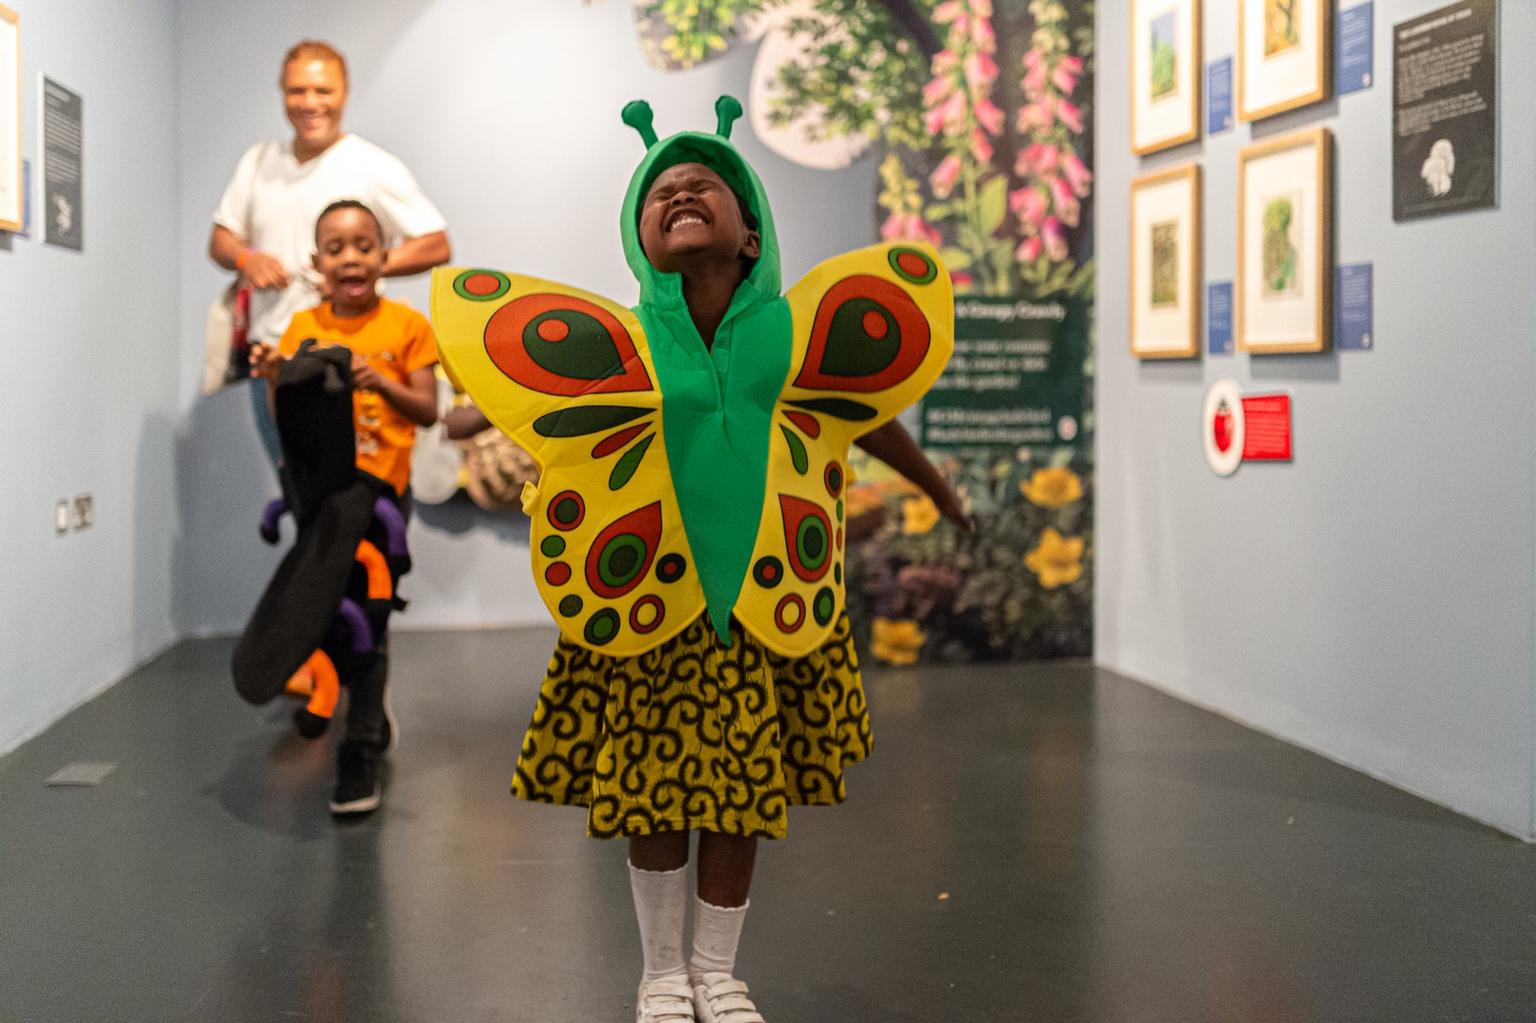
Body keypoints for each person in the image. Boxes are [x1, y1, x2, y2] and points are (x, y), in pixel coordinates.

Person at [431, 97, 963, 1022]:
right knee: (653, 795)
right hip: (649, 606)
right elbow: (511, 397)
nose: (678, 192)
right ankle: (660, 975)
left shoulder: (789, 337)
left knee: (739, 799)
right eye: (658, 191)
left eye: (702, 185)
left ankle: (718, 972)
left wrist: (939, 488)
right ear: (639, 240)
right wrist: (479, 403)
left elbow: (864, 411)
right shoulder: (628, 340)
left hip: (762, 606)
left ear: (749, 234)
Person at [249, 199, 439, 814]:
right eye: (335, 248)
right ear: (316, 263)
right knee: (330, 613)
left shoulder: (409, 326)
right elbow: (292, 421)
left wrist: (379, 381)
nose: (350, 257)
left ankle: (359, 752)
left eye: (363, 244)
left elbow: (429, 410)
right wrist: (278, 377)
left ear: (384, 257)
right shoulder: (303, 326)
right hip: (323, 497)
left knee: (372, 621)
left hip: (383, 498)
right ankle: (358, 714)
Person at [210, 40, 450, 462]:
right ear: (283, 93)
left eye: (323, 91)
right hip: (274, 354)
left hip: (348, 356)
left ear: (345, 92)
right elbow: (222, 239)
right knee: (297, 483)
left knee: (360, 484)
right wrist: (249, 259)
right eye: (297, 90)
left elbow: (436, 243)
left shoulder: (371, 164)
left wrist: (354, 271)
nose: (310, 102)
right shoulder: (259, 160)